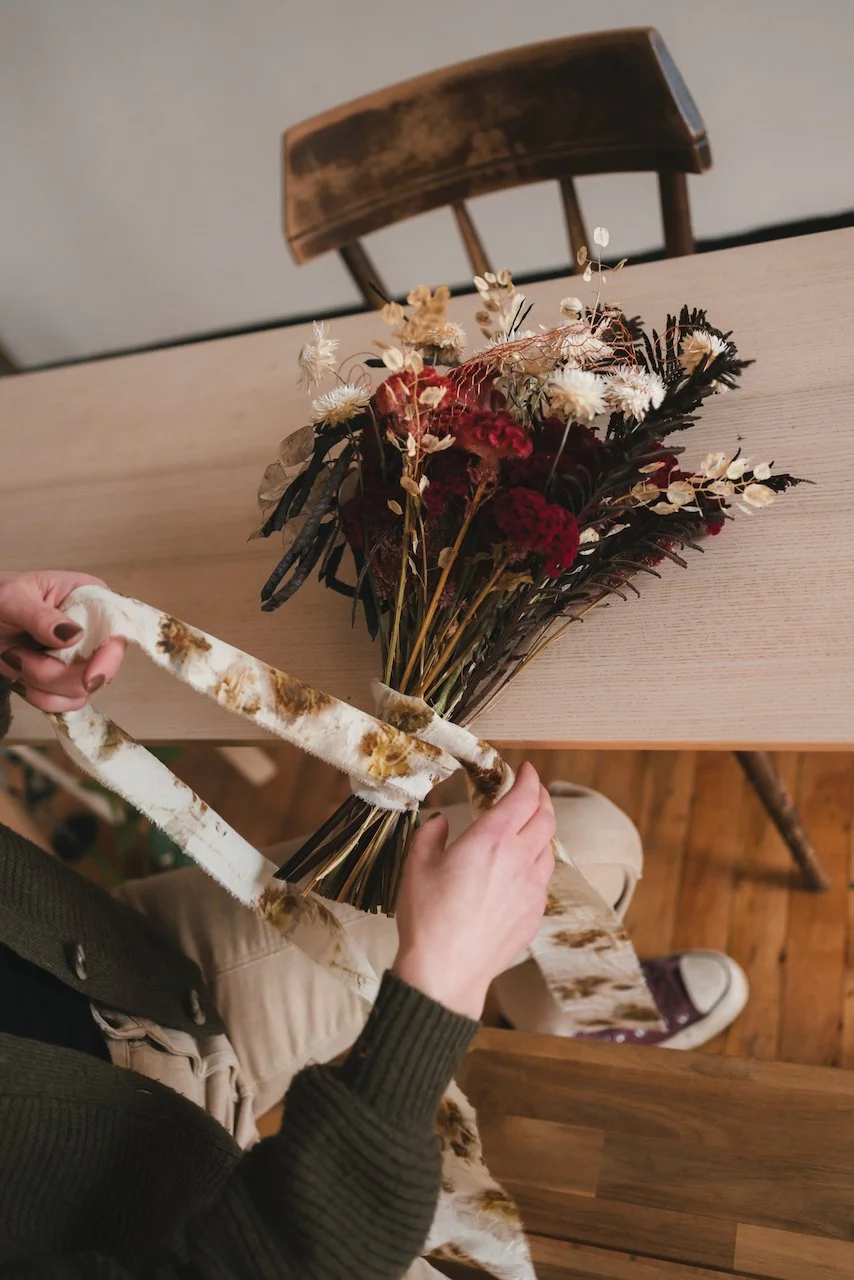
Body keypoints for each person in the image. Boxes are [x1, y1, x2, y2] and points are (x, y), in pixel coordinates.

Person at [0, 569, 748, 1277]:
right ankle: (508, 989)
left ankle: (558, 1017)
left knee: (584, 847)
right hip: (192, 1221)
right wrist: (440, 986)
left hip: (125, 964)